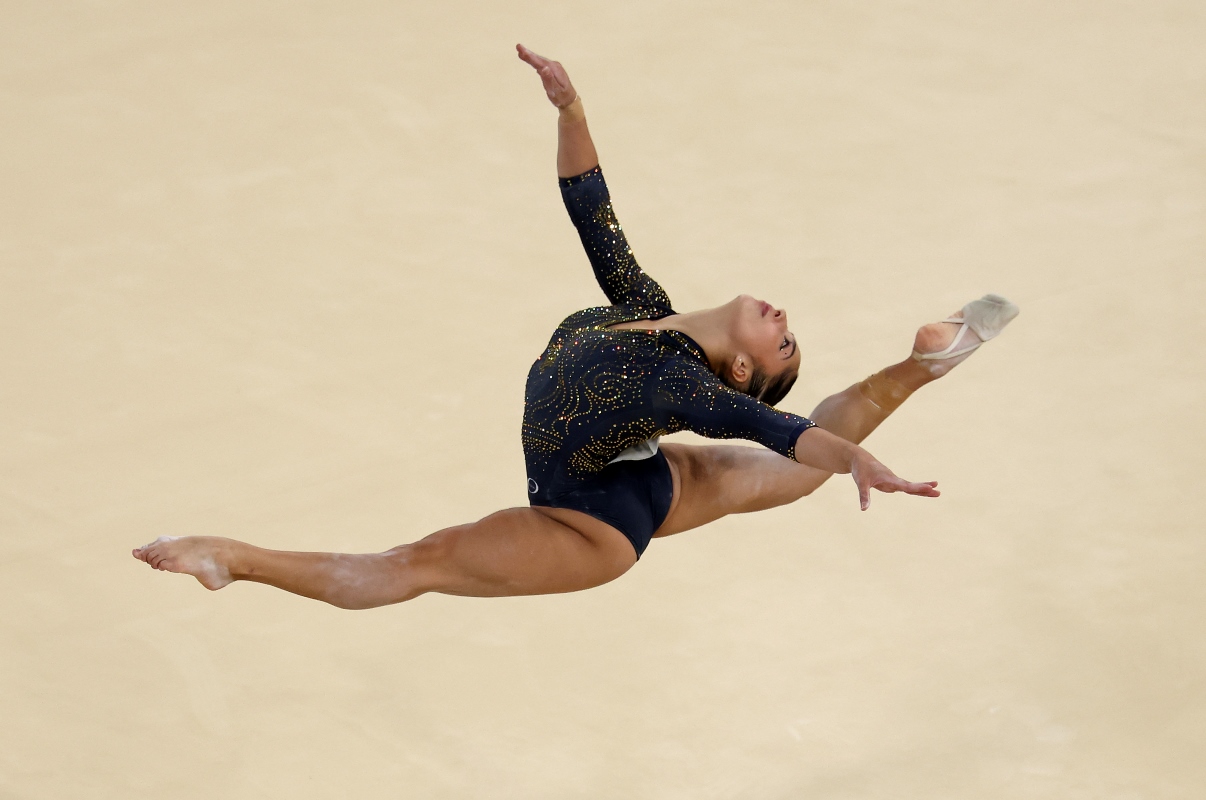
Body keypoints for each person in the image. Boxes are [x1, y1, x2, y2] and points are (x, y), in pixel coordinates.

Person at [131, 45, 1017, 609]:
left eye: (782, 344)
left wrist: (852, 458)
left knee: (418, 562)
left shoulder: (684, 384)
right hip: (637, 470)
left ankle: (233, 559)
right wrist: (571, 111)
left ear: (741, 371)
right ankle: (929, 361)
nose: (783, 321)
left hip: (587, 521)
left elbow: (782, 431)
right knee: (791, 477)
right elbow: (591, 209)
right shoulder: (643, 302)